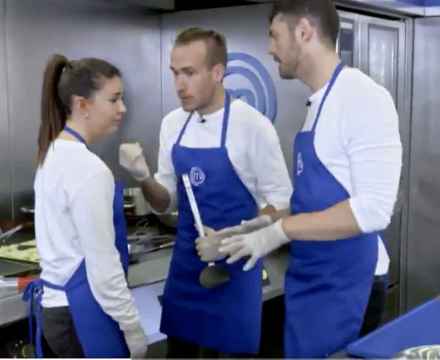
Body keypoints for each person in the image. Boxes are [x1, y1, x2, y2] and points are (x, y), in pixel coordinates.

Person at [197, 0, 403, 357]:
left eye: (275, 36)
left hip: (348, 285)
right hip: (313, 279)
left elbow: (373, 210)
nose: (270, 48)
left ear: (304, 32)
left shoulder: (362, 97)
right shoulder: (317, 105)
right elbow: (314, 200)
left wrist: (278, 233)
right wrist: (254, 227)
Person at [118, 27, 292, 357]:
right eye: (174, 73)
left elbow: (281, 205)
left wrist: (235, 234)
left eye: (189, 73)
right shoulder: (172, 123)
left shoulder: (253, 127)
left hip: (236, 269)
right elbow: (165, 201)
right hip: (185, 265)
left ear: (217, 72)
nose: (179, 85)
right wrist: (143, 177)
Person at [23, 54, 147, 358]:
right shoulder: (89, 168)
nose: (123, 109)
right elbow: (103, 268)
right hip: (84, 314)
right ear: (82, 104)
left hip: (55, 312)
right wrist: (132, 327)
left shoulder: (50, 153)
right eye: (114, 99)